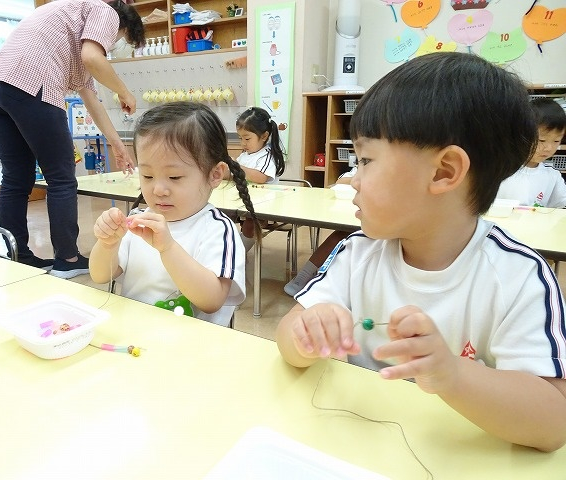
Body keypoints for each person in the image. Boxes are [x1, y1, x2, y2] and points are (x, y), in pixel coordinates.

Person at [275, 52, 566, 452]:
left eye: (366, 160)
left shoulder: (519, 276)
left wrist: (452, 376)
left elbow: (553, 424)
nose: (352, 181)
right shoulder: (358, 253)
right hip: (355, 443)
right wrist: (305, 336)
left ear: (444, 171)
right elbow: (286, 338)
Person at [0, 0, 145, 278]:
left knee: (16, 178)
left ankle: (16, 255)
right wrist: (125, 91)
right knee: (62, 177)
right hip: (31, 81)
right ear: (122, 25)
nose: (111, 44)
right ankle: (67, 258)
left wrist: (117, 144)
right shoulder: (105, 11)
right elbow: (93, 56)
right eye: (118, 39)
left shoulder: (68, 23)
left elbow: (92, 99)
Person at [89, 102, 262, 327]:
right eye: (148, 176)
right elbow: (101, 275)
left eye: (175, 177)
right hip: (136, 339)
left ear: (214, 174)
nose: (158, 189)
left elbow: (212, 300)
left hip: (192, 350)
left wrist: (168, 248)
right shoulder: (138, 219)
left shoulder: (219, 230)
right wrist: (107, 245)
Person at [283, 167, 356, 296]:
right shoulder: (361, 166)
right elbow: (340, 181)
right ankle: (303, 276)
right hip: (358, 214)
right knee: (339, 235)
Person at [232, 107, 286, 251]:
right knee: (221, 216)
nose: (243, 143)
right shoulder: (245, 155)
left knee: (251, 224)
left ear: (264, 136)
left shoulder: (267, 155)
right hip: (244, 201)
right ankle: (226, 251)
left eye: (247, 138)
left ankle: (238, 255)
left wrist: (236, 167)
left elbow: (260, 178)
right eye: (240, 138)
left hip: (265, 206)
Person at [496, 97, 566, 208]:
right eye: (541, 140)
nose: (548, 147)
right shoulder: (501, 170)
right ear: (522, 135)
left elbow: (560, 208)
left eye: (556, 141)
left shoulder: (552, 176)